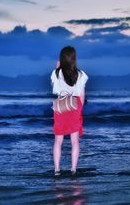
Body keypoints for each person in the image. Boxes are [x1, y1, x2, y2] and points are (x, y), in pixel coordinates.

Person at [50, 46, 88, 177]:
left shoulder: (56, 73)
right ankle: (73, 170)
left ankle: (56, 170)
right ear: (74, 59)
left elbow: (57, 68)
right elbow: (82, 96)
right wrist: (79, 109)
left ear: (61, 59)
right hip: (75, 106)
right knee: (75, 141)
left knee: (58, 141)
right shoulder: (81, 74)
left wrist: (60, 63)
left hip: (60, 106)